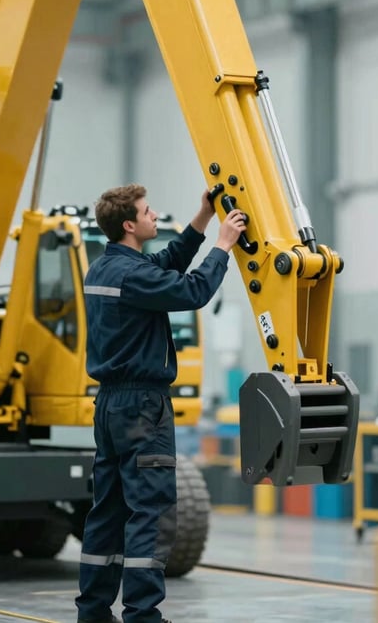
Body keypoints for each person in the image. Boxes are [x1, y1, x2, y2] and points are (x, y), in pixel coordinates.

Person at [75, 183, 246, 623]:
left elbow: (165, 263)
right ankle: (143, 616)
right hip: (143, 408)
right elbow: (192, 292)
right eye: (148, 211)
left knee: (108, 511)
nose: (155, 216)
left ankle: (93, 613)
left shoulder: (104, 269)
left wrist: (203, 218)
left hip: (109, 407)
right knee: (150, 512)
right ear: (130, 224)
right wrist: (223, 245)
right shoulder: (133, 276)